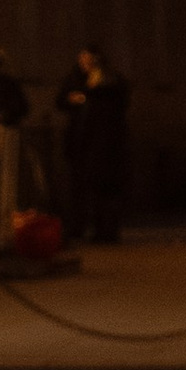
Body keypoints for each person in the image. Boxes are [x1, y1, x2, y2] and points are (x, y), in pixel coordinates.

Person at [55, 45, 132, 245]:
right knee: (81, 188)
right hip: (82, 143)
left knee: (104, 189)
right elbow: (61, 100)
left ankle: (105, 230)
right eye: (82, 60)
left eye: (88, 60)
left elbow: (115, 106)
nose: (84, 64)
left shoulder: (110, 83)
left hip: (103, 146)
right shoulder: (75, 79)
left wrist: (87, 97)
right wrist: (73, 99)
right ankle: (80, 228)